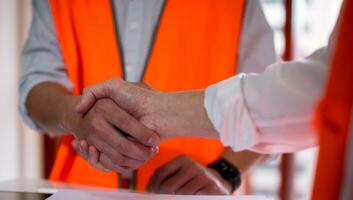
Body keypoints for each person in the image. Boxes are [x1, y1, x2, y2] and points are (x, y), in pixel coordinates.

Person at [74, 0, 353, 199]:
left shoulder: (240, 5)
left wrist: (224, 170)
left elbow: (317, 92)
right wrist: (76, 117)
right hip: (73, 188)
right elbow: (34, 91)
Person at [19, 0, 276, 194]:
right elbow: (35, 85)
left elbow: (270, 107)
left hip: (189, 194)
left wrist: (224, 172)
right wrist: (75, 116)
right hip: (81, 192)